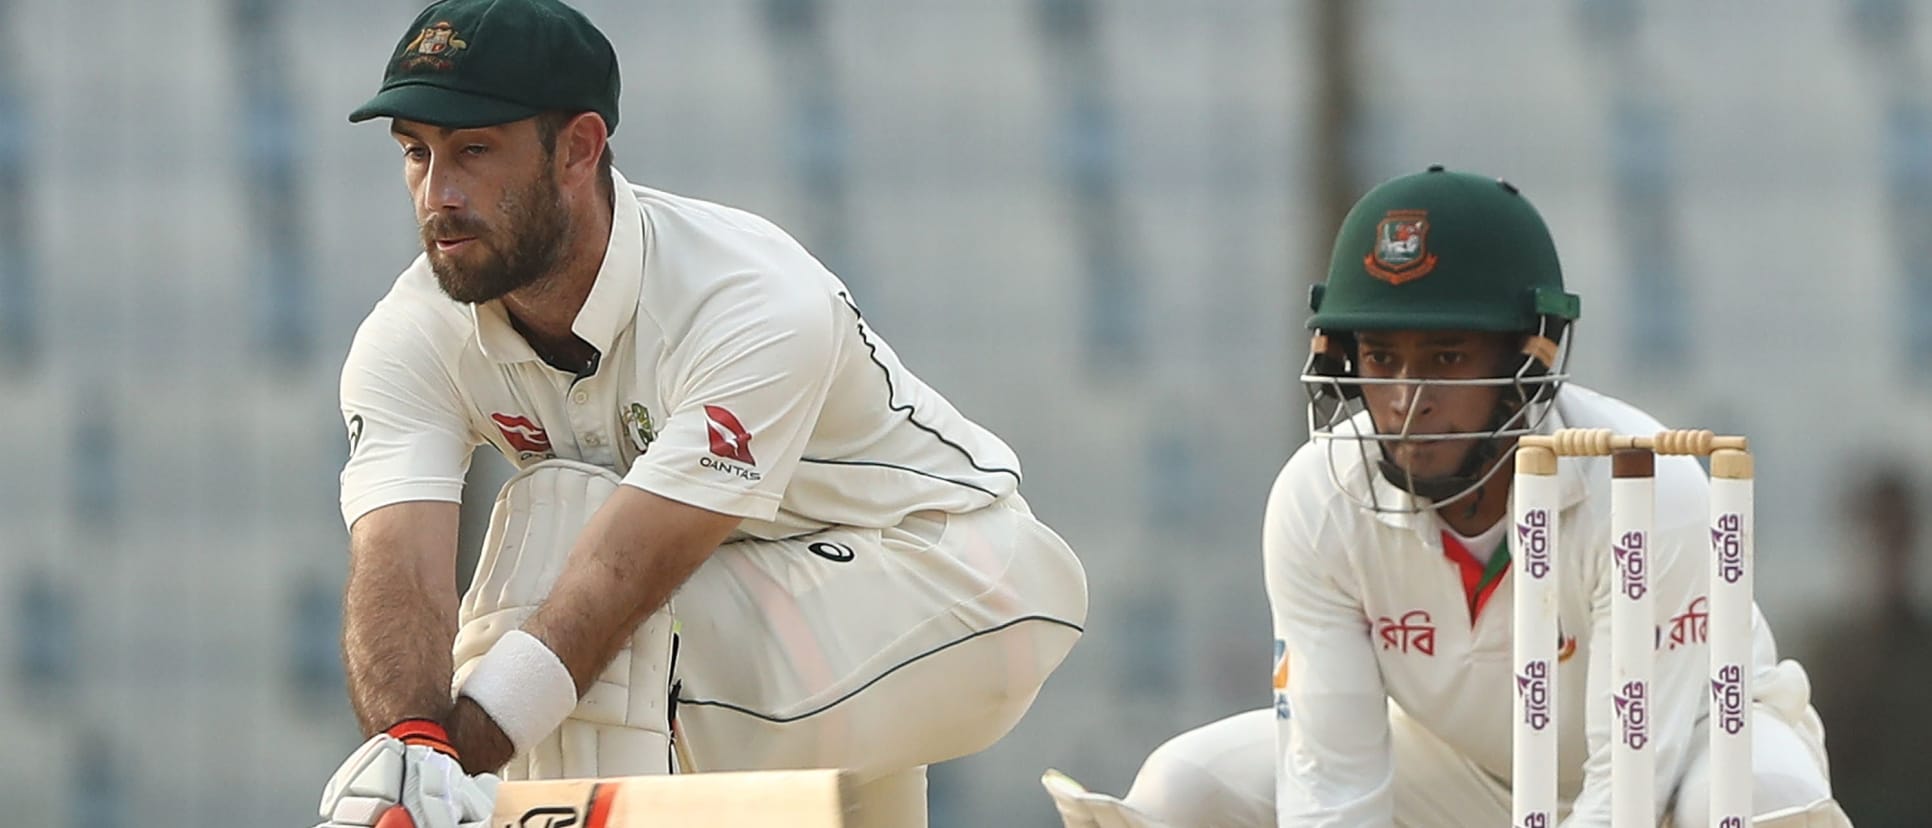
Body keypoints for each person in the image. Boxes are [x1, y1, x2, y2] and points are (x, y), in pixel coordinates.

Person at [311, 1, 1088, 826]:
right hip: (751, 606)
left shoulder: (747, 298)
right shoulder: (411, 332)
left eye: (472, 150)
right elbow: (400, 569)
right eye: (415, 154)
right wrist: (412, 746)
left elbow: (620, 578)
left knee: (566, 545)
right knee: (569, 645)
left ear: (578, 149)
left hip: (962, 586)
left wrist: (435, 785)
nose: (439, 194)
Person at [1044, 167, 1845, 828]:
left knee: (1758, 803)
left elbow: (1624, 794)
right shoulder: (1319, 500)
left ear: (1534, 354)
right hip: (1455, 765)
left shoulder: (1650, 490)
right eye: (1382, 355)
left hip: (1687, 756)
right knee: (1181, 791)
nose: (1404, 397)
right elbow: (1334, 788)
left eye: (1448, 354)